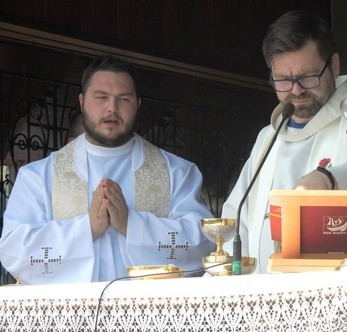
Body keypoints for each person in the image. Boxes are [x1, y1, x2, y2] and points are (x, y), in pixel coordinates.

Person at [0, 56, 215, 284]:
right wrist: (86, 229)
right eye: (101, 97)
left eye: (123, 98)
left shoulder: (178, 173)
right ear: (81, 101)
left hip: (151, 314)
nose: (112, 108)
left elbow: (206, 243)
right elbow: (14, 252)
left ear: (138, 104)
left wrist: (133, 225)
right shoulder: (38, 177)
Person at [221, 11, 347, 273]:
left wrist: (327, 179)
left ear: (334, 66)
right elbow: (237, 220)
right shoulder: (266, 139)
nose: (296, 90)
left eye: (307, 77)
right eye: (283, 80)